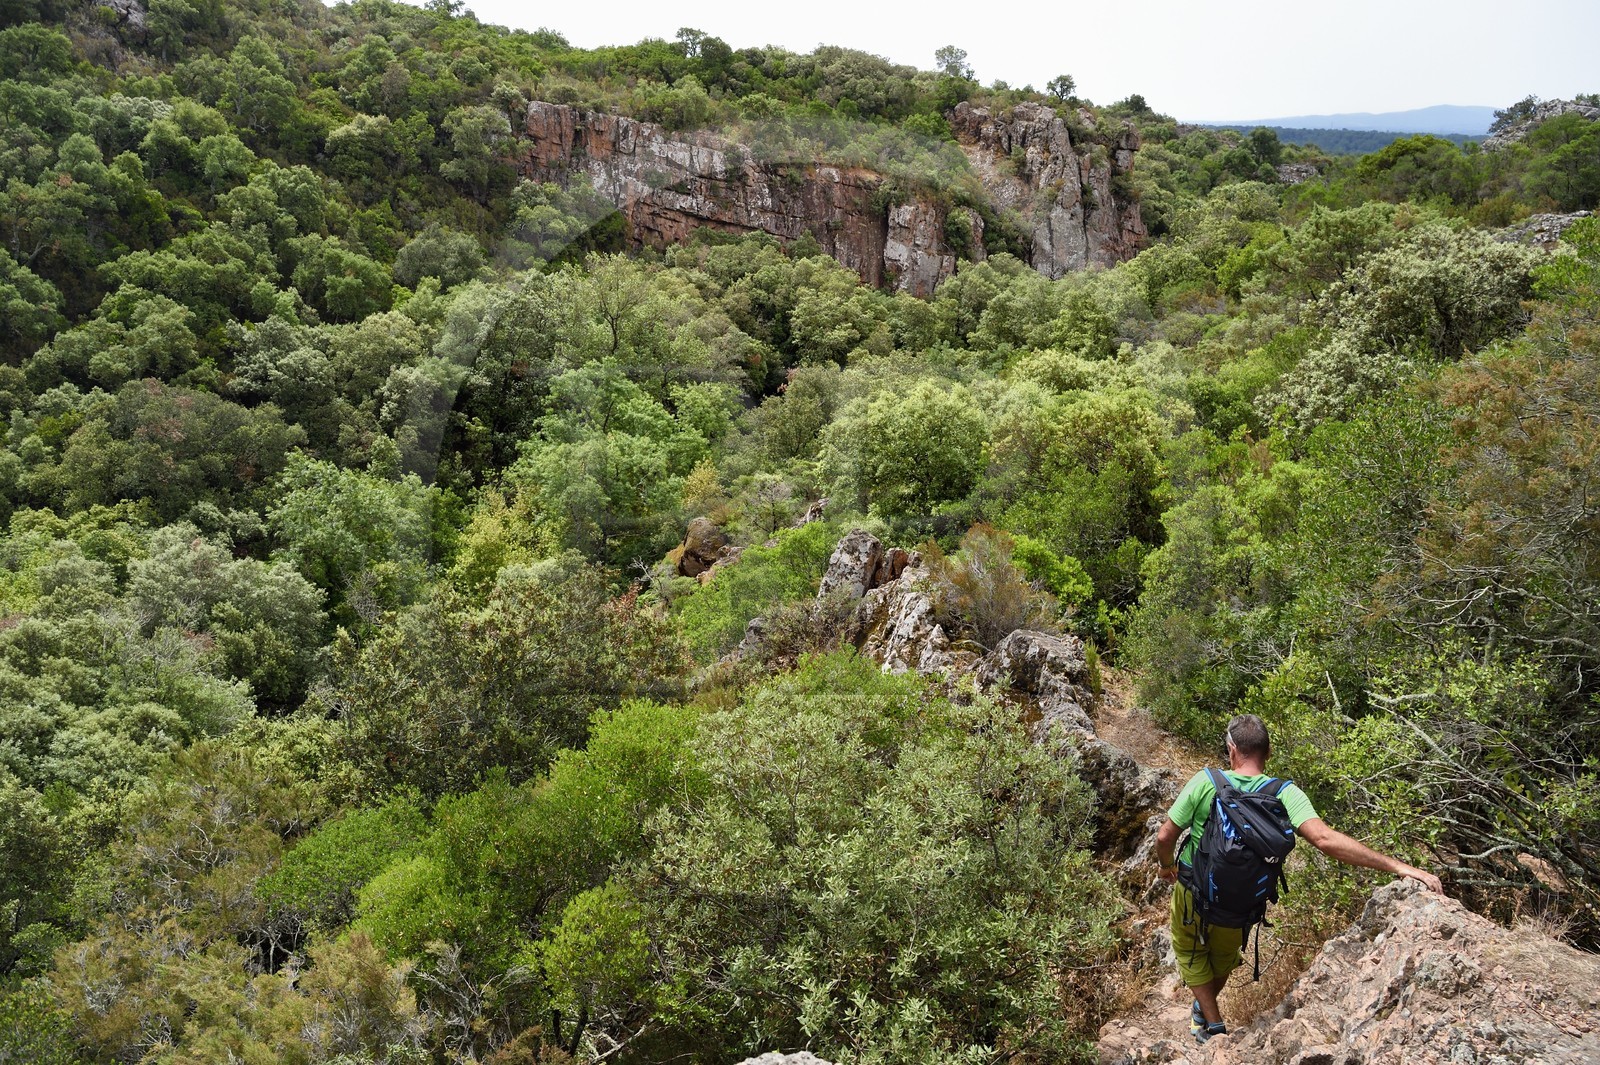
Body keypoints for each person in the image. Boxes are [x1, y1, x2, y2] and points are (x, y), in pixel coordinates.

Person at [1153, 714, 1443, 1044]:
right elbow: (1325, 839)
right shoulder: (1286, 793)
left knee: (1192, 957)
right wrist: (1400, 867)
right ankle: (1206, 1012)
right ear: (1269, 751)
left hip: (1194, 890)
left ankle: (1214, 1027)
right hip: (1243, 902)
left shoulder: (1205, 781)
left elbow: (1165, 836)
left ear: (1231, 749)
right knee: (1222, 960)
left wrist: (1165, 867)